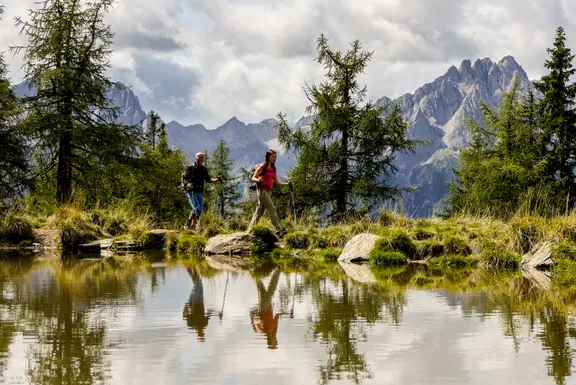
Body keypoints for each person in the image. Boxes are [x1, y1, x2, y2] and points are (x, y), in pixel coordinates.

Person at [247, 149, 291, 237]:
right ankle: (278, 229)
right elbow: (253, 178)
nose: (274, 158)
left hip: (268, 191)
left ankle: (250, 230)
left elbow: (276, 182)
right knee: (272, 208)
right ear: (267, 157)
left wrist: (287, 184)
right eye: (272, 156)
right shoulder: (263, 166)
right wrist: (258, 179)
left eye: (275, 157)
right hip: (262, 191)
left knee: (259, 211)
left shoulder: (274, 168)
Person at [182, 152, 219, 230]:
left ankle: (190, 225)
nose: (201, 159)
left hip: (200, 192)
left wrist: (214, 180)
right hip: (192, 192)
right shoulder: (190, 168)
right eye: (199, 157)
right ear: (196, 158)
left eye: (202, 157)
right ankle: (191, 226)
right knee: (197, 209)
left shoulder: (204, 169)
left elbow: (208, 179)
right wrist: (189, 183)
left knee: (198, 210)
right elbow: (185, 178)